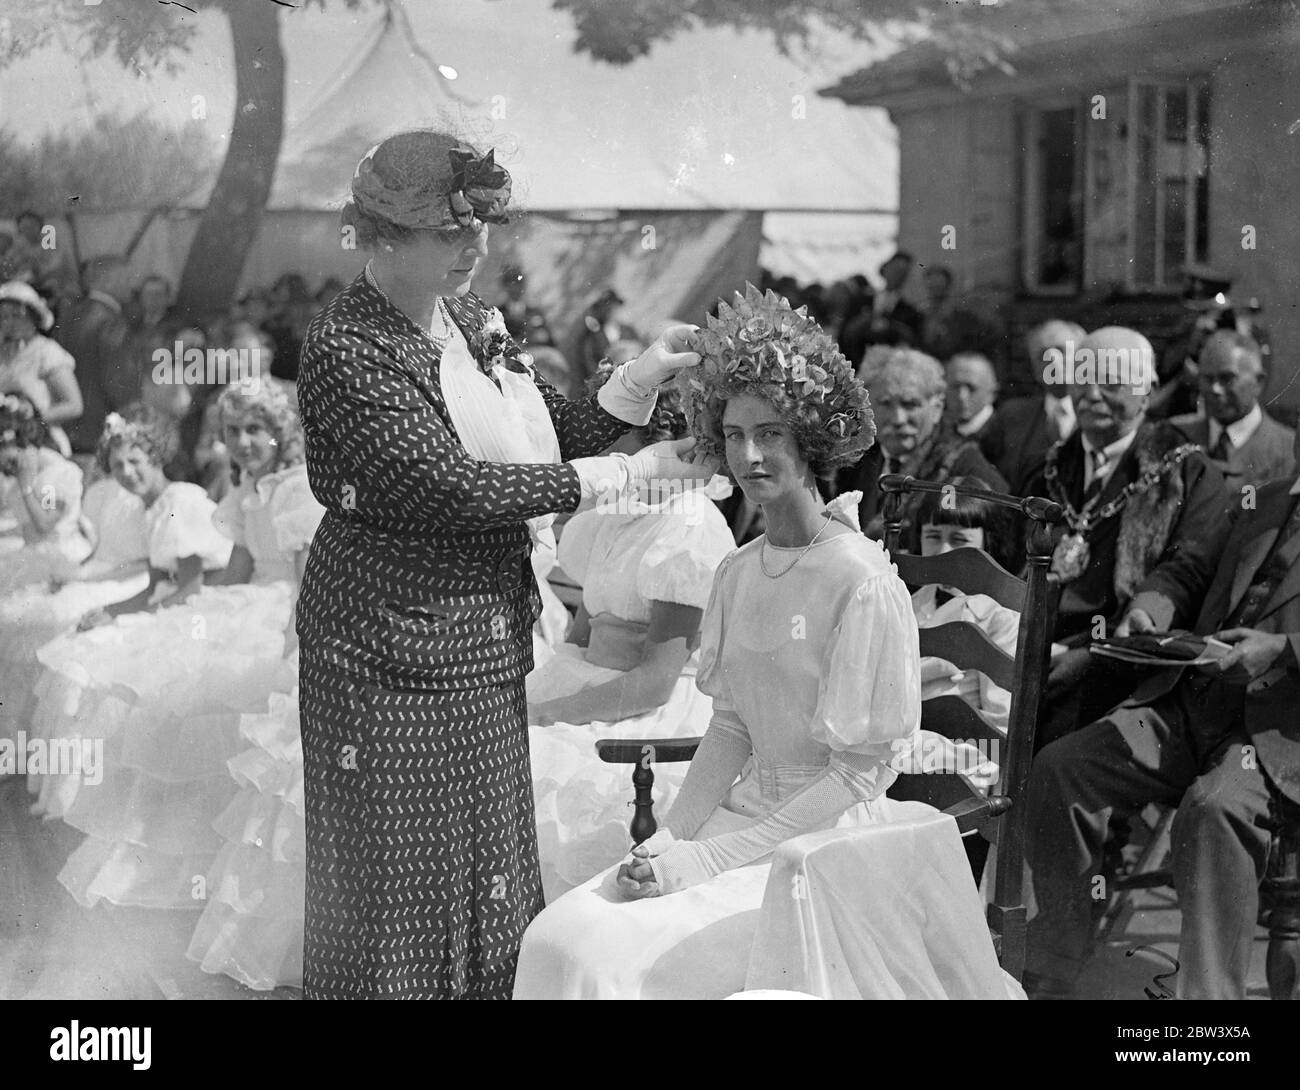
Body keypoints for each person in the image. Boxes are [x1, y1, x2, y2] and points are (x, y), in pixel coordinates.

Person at [293, 129, 713, 1000]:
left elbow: (548, 433)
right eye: (451, 232)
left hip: (482, 645)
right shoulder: (349, 346)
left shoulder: (471, 319)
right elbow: (444, 487)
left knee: (484, 865)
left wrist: (640, 378)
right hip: (386, 650)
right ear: (383, 234)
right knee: (397, 881)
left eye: (481, 228)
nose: (475, 248)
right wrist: (628, 474)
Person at [512, 284, 968, 1000]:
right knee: (559, 936)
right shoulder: (736, 570)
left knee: (610, 962)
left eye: (771, 434)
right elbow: (727, 727)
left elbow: (854, 775)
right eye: (732, 435)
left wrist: (711, 858)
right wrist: (672, 837)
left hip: (825, 847)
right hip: (739, 823)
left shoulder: (861, 580)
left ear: (812, 440)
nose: (749, 456)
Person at [1024, 430, 1300, 1000]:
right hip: (1187, 701)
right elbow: (1191, 569)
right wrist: (1152, 607)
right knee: (1061, 769)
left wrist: (1280, 650)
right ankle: (1058, 966)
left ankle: (1207, 1013)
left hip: (1279, 731)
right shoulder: (1264, 500)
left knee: (1212, 811)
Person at [48, 382, 319, 910]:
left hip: (285, 606)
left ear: (280, 433)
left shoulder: (296, 488)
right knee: (171, 686)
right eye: (233, 432)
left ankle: (220, 858)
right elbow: (235, 575)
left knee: (221, 700)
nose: (243, 442)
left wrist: (294, 645)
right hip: (249, 602)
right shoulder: (246, 491)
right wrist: (191, 620)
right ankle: (181, 856)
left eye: (255, 430)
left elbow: (304, 582)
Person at [526, 373, 736, 899]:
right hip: (590, 685)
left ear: (654, 445)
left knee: (546, 776)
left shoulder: (687, 523)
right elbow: (582, 630)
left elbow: (652, 682)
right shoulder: (616, 514)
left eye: (612, 441)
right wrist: (539, 698)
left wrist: (552, 714)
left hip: (646, 707)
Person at [1027, 326, 1231, 745]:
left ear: (1149, 390)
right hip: (1027, 649)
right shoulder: (1043, 470)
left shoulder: (1186, 474)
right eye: (1083, 379)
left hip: (1120, 665)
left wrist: (1098, 652)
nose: (1093, 394)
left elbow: (1188, 564)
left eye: (1112, 382)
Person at [833, 347, 1006, 543]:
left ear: (937, 409)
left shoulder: (966, 467)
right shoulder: (853, 461)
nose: (898, 418)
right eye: (885, 403)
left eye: (910, 405)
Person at [911, 477, 1021, 733]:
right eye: (933, 536)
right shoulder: (909, 602)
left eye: (959, 540)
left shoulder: (999, 616)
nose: (944, 551)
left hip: (961, 750)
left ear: (987, 543)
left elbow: (1000, 721)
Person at [1170, 331, 1295, 497]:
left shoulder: (1290, 451)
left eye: (1227, 378)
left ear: (1258, 382)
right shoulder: (1174, 436)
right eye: (1207, 379)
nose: (1215, 389)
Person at [980, 320, 1085, 497]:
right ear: (1035, 370)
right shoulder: (1011, 416)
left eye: (1060, 350)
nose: (1052, 359)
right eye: (1043, 354)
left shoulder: (1102, 412)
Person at [56, 254, 135, 457]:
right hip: (100, 432)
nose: (131, 287)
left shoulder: (67, 317)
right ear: (109, 281)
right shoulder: (113, 322)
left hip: (66, 431)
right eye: (127, 279)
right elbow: (120, 382)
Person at [0, 281, 84, 457]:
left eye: (17, 315)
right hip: (7, 446)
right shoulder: (3, 351)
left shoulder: (46, 351)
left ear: (33, 316)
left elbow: (74, 405)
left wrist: (27, 420)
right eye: (4, 316)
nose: (10, 323)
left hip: (42, 444)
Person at [837, 251, 923, 366]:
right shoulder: (860, 301)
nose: (897, 275)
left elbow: (911, 342)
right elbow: (844, 334)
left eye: (903, 272)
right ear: (885, 268)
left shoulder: (909, 311)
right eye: (895, 269)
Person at [576, 288, 638, 383]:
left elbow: (641, 352)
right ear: (600, 310)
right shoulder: (592, 339)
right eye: (607, 307)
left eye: (614, 307)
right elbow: (589, 365)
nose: (612, 311)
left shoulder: (628, 331)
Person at [944, 351, 999, 444]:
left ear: (992, 393)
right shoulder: (939, 434)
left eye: (971, 388)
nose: (961, 396)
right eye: (955, 386)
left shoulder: (1003, 435)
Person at [497, 263, 554, 347]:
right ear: (505, 286)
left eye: (518, 283)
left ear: (523, 285)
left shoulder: (535, 312)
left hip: (535, 353)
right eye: (511, 283)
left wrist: (541, 336)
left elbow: (549, 341)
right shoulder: (498, 313)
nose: (515, 288)